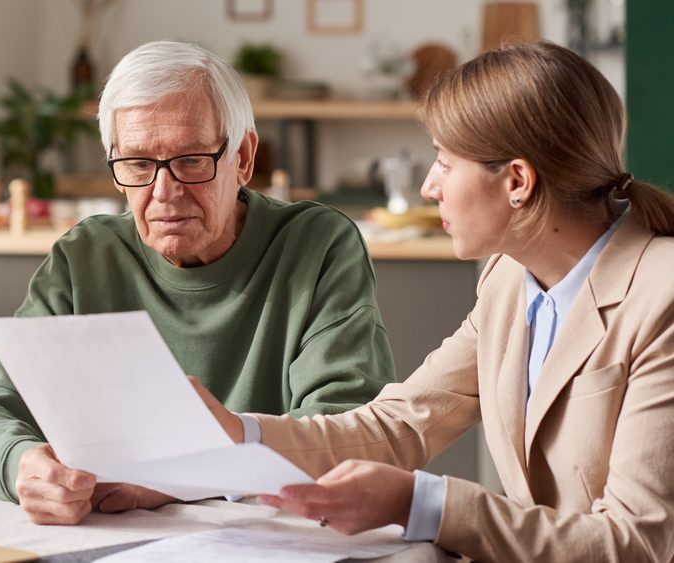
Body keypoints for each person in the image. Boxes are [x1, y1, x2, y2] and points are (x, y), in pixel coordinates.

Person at [195, 41, 674, 561]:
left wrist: (424, 503)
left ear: (517, 181)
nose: (428, 187)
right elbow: (401, 424)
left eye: (445, 162)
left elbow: (637, 543)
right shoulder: (509, 280)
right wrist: (238, 434)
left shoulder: (661, 296)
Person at [0, 40, 396, 525]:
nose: (165, 193)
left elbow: (347, 432)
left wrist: (183, 479)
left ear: (243, 158)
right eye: (139, 164)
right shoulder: (86, 257)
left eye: (190, 160)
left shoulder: (318, 245)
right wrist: (21, 466)